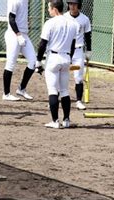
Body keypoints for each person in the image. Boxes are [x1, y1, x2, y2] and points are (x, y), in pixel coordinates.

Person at [36, 0, 79, 129]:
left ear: (55, 9)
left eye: (49, 8)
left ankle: (55, 121)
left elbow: (42, 44)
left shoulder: (50, 23)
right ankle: (66, 120)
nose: (49, 10)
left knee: (53, 90)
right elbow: (72, 45)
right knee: (65, 90)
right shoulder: (73, 24)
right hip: (66, 57)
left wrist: (38, 61)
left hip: (53, 58)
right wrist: (69, 59)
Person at [3, 0, 37, 101]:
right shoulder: (14, 1)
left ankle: (21, 89)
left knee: (33, 61)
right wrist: (18, 34)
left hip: (24, 34)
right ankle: (6, 94)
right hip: (13, 34)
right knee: (11, 63)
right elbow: (11, 19)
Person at [64, 0, 92, 110]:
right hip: (65, 50)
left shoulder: (84, 19)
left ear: (79, 5)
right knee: (61, 74)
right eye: (70, 4)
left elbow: (88, 36)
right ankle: (55, 98)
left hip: (78, 51)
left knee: (78, 77)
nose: (72, 6)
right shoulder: (64, 17)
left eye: (75, 4)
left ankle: (79, 101)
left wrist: (89, 51)